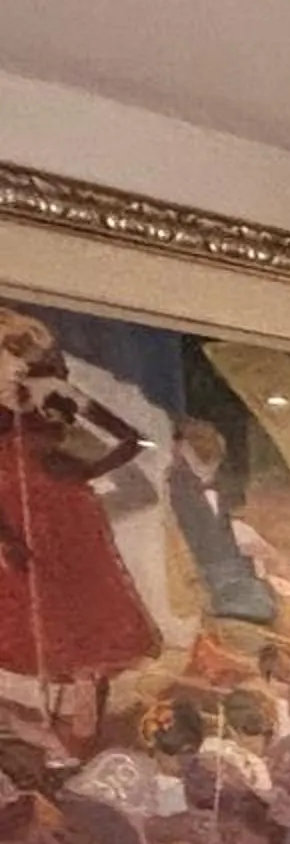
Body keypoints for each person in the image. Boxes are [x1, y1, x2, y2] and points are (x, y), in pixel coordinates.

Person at [0, 307, 161, 754]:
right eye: (13, 353)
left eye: (24, 354)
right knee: (35, 619)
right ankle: (47, 732)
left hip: (66, 513)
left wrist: (85, 470)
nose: (20, 364)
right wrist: (3, 537)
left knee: (86, 620)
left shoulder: (49, 390)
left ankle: (81, 740)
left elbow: (136, 441)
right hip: (15, 516)